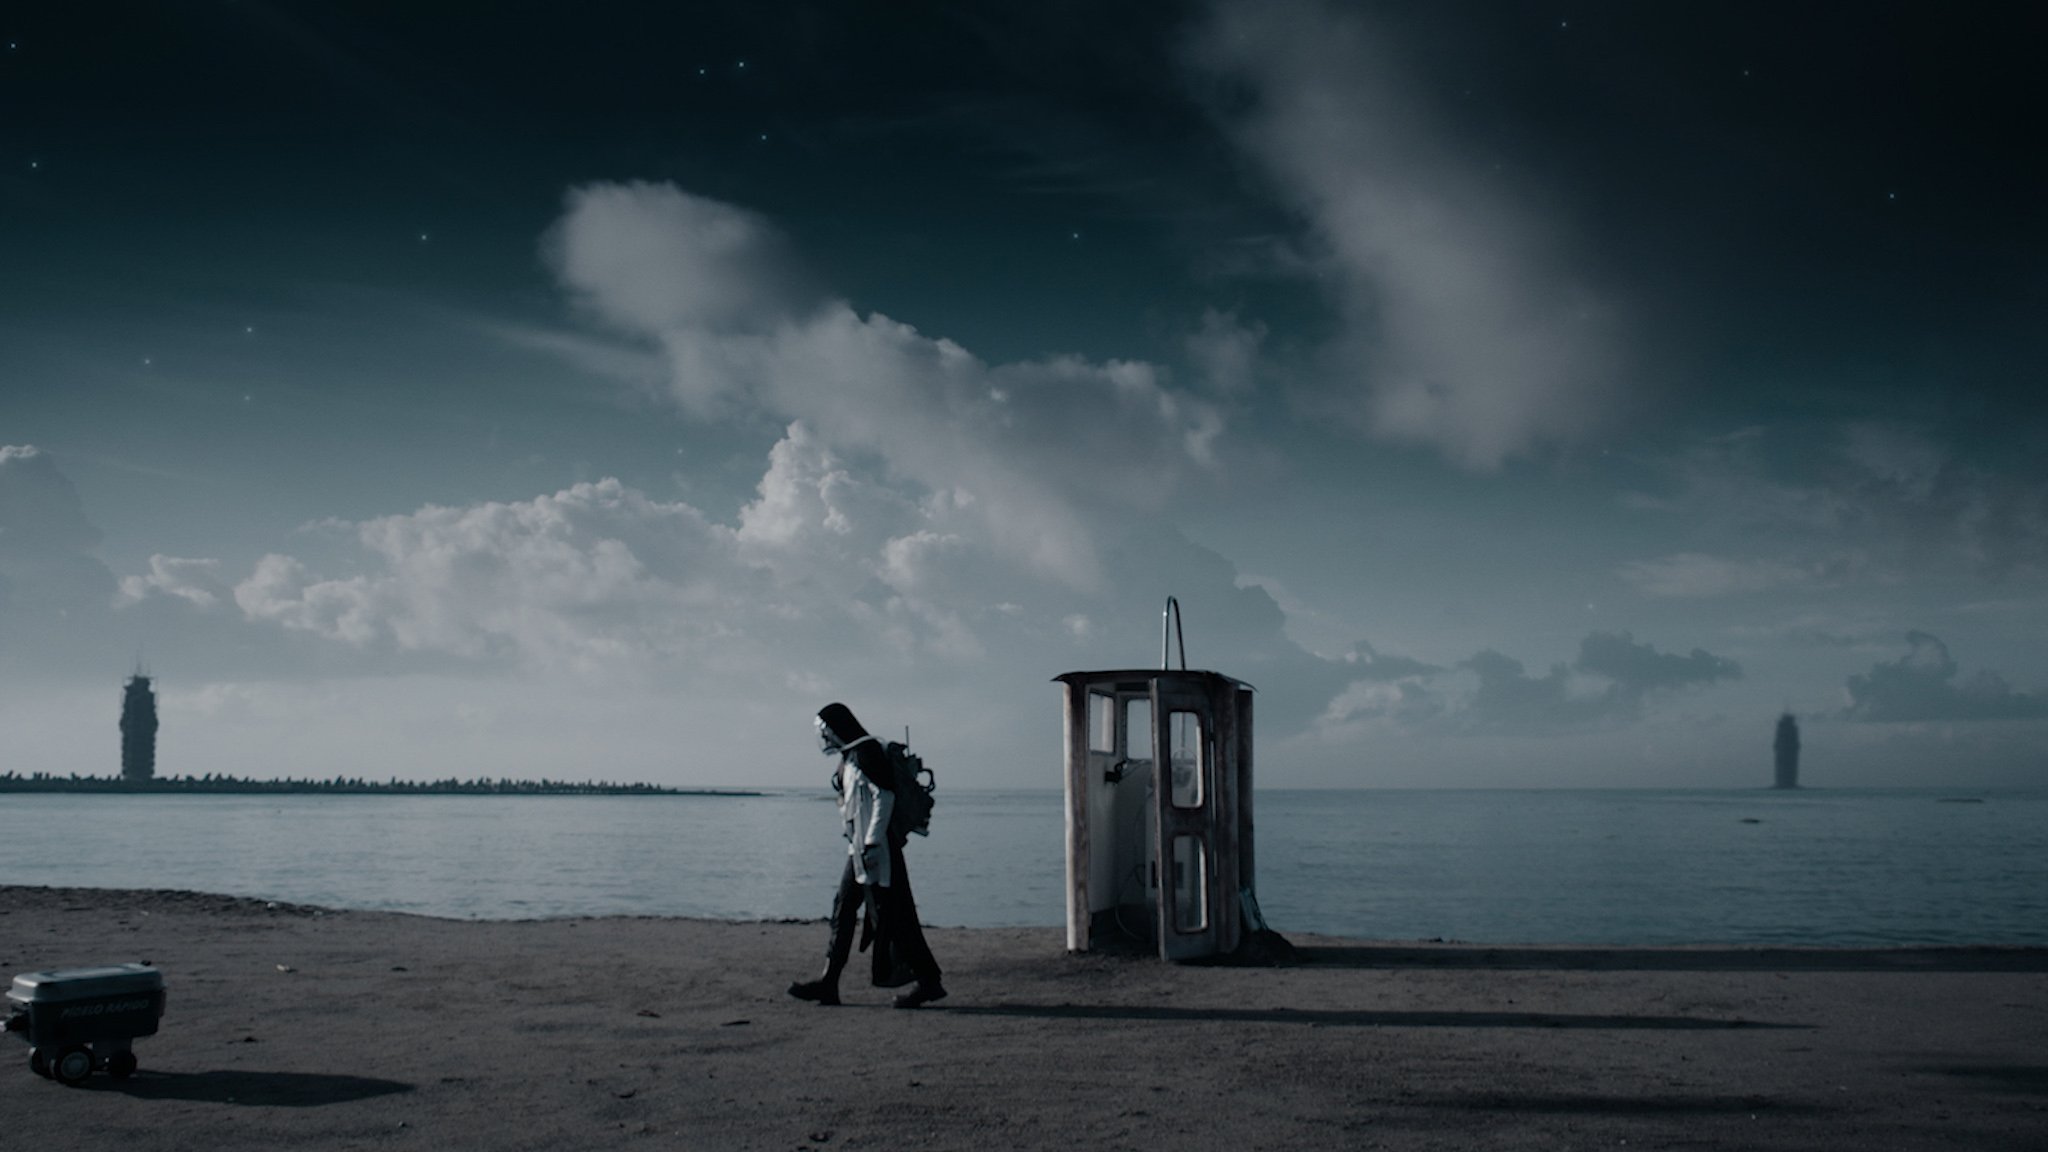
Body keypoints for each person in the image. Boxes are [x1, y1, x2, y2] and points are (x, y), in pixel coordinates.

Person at [787, 702, 947, 1009]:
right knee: (843, 909)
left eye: (825, 731)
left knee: (895, 915)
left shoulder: (866, 751)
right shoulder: (850, 756)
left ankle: (929, 982)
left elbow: (883, 796)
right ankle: (829, 983)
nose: (825, 738)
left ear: (835, 728)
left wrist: (872, 841)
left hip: (877, 850)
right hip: (861, 849)